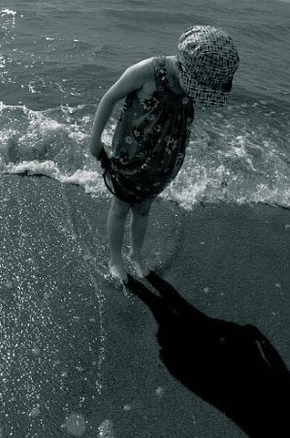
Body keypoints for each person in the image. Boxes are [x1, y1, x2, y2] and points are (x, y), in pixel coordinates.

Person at [88, 26, 239, 280]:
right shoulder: (148, 71)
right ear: (184, 70)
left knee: (144, 210)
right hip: (131, 157)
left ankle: (136, 254)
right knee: (121, 207)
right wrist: (95, 140)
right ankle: (115, 257)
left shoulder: (198, 77)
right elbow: (109, 97)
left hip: (163, 164)